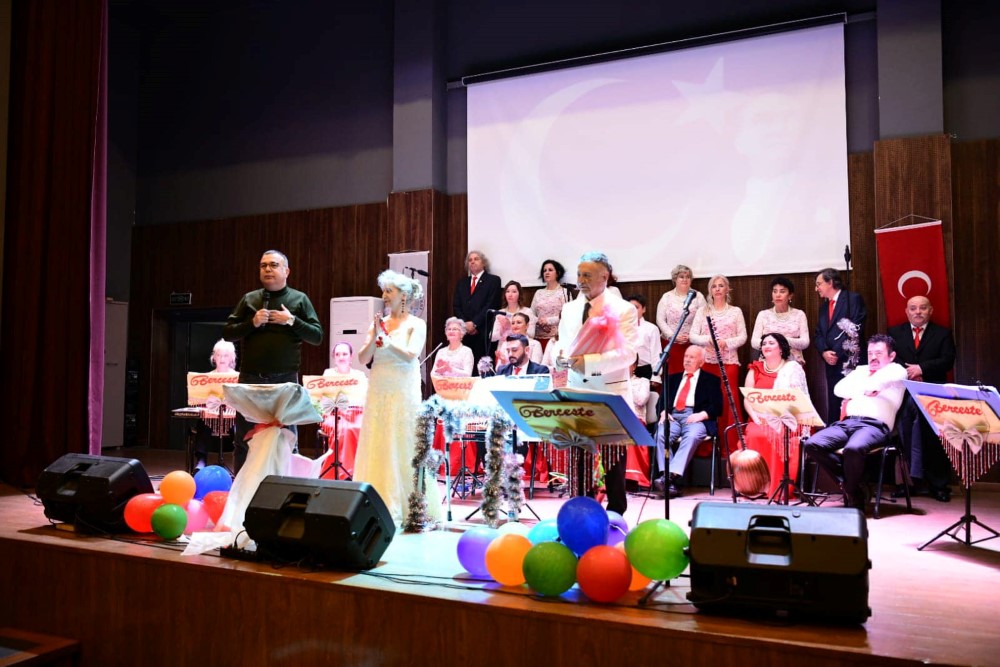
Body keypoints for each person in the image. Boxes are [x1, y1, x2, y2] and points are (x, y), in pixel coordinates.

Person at [552, 252, 639, 515]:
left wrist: (589, 363)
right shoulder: (569, 309)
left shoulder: (623, 309)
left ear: (605, 276)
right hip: (577, 389)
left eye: (587, 275)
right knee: (579, 456)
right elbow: (563, 345)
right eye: (579, 274)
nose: (581, 280)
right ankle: (581, 509)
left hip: (610, 391)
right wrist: (561, 360)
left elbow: (628, 354)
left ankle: (616, 514)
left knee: (614, 460)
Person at [222, 250, 324, 473]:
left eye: (273, 265)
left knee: (287, 437)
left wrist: (292, 320)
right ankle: (243, 488)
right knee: (244, 439)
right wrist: (252, 323)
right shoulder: (249, 299)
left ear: (286, 271)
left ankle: (286, 487)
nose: (267, 269)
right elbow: (228, 333)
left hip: (285, 380)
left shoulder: (299, 299)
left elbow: (317, 336)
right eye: (263, 265)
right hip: (251, 379)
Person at [354, 270, 439, 524]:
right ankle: (373, 500)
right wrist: (375, 337)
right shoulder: (378, 323)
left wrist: (387, 341)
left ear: (403, 295)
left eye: (389, 291)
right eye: (384, 291)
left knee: (403, 438)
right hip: (379, 386)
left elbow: (412, 354)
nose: (384, 295)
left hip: (403, 387)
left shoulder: (416, 324)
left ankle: (408, 503)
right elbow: (363, 358)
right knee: (378, 437)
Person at [803, 334, 906, 512]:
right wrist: (866, 388)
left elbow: (880, 382)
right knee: (812, 444)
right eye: (870, 353)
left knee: (853, 448)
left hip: (874, 426)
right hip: (847, 423)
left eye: (879, 353)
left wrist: (863, 387)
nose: (873, 357)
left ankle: (851, 492)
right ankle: (853, 487)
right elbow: (839, 389)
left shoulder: (897, 370)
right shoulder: (861, 371)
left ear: (892, 356)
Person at [888, 296, 957, 502]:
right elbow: (890, 359)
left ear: (930, 310)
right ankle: (906, 484)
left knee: (934, 439)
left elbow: (948, 360)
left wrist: (922, 368)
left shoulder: (942, 333)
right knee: (904, 437)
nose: (918, 312)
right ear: (907, 311)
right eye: (913, 308)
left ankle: (938, 485)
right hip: (904, 393)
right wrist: (909, 372)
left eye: (922, 308)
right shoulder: (894, 333)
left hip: (933, 394)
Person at [742, 333, 809, 498]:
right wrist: (755, 418)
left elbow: (797, 399)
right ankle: (756, 486)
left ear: (781, 348)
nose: (766, 346)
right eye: (764, 343)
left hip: (785, 419)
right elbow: (747, 398)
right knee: (755, 434)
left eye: (771, 343)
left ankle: (776, 487)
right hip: (758, 418)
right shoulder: (755, 368)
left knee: (778, 434)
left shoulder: (792, 369)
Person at [651, 346, 723, 498]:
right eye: (686, 356)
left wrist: (702, 415)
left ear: (702, 362)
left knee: (692, 436)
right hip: (673, 416)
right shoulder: (672, 379)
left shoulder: (711, 380)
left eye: (692, 357)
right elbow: (660, 402)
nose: (687, 360)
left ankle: (668, 477)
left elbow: (717, 406)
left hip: (695, 417)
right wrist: (663, 411)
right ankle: (669, 480)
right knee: (660, 435)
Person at [689, 274, 747, 440]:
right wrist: (708, 340)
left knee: (729, 399)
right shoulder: (702, 311)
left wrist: (725, 343)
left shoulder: (735, 311)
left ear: (727, 289)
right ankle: (709, 442)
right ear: (710, 291)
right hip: (707, 362)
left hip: (728, 362)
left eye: (721, 285)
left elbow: (743, 337)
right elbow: (693, 336)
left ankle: (731, 442)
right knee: (708, 400)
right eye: (714, 286)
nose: (717, 289)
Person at [814, 267, 867, 424]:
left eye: (819, 284)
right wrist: (824, 352)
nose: (816, 288)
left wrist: (836, 352)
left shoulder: (852, 299)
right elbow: (819, 333)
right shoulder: (824, 307)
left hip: (850, 360)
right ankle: (833, 433)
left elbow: (855, 328)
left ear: (830, 282)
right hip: (831, 362)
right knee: (834, 401)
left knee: (852, 402)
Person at [319, 341, 368, 480]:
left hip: (356, 413)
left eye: (345, 354)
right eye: (338, 354)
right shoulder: (328, 374)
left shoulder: (359, 375)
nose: (341, 357)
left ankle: (359, 470)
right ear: (334, 357)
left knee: (358, 428)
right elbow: (323, 399)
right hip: (333, 414)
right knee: (344, 430)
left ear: (351, 357)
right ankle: (344, 473)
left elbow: (365, 398)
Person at [453, 250, 502, 371]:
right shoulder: (461, 283)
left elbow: (491, 304)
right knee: (466, 369)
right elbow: (456, 306)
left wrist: (474, 323)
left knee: (482, 370)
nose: (472, 262)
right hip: (465, 334)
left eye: (476, 259)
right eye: (470, 260)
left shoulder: (493, 280)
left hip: (483, 332)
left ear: (484, 263)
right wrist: (465, 324)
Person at [193, 339, 238, 470]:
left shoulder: (238, 377)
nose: (222, 359)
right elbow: (197, 400)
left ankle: (240, 462)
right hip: (211, 416)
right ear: (214, 358)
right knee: (203, 420)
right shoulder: (206, 377)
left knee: (241, 425)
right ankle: (201, 459)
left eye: (225, 355)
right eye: (218, 355)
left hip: (232, 417)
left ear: (231, 358)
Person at [655, 264, 707, 374]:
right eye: (681, 277)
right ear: (675, 279)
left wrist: (692, 336)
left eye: (688, 277)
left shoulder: (698, 296)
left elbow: (705, 319)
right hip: (671, 344)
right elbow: (660, 319)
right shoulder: (666, 297)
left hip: (692, 344)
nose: (685, 279)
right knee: (673, 377)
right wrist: (673, 336)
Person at [750, 276, 810, 365]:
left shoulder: (799, 314)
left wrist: (783, 340)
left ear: (790, 295)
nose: (777, 295)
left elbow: (805, 342)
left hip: (793, 363)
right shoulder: (763, 314)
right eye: (775, 291)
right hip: (768, 363)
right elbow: (754, 342)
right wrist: (772, 343)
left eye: (782, 291)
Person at [530, 259, 572, 348]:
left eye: (550, 270)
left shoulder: (564, 292)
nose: (547, 272)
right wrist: (540, 322)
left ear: (557, 273)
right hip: (538, 338)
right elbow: (531, 314)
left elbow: (568, 316)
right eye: (544, 270)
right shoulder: (538, 292)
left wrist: (548, 321)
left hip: (557, 338)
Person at [627, 294, 663, 383]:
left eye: (636, 307)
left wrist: (656, 376)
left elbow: (656, 354)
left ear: (643, 309)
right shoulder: (621, 327)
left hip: (645, 370)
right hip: (626, 371)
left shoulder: (651, 328)